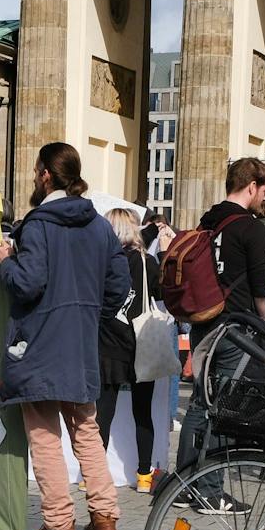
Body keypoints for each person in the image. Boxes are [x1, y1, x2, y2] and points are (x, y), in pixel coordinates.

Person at [0, 141, 129, 530]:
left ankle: (58, 525)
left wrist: (6, 262)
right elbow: (119, 285)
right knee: (87, 429)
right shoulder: (100, 225)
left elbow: (28, 282)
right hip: (81, 340)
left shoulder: (37, 224)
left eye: (37, 171)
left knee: (44, 432)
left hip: (39, 342)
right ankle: (105, 519)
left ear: (46, 176)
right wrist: (90, 317)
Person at [170, 157, 265, 502]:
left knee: (200, 403)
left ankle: (183, 487)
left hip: (204, 322)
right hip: (235, 327)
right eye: (264, 189)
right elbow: (261, 290)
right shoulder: (251, 228)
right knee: (223, 408)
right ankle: (212, 492)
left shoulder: (209, 220)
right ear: (251, 186)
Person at [99, 210, 163, 490]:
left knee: (103, 412)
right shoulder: (146, 261)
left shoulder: (102, 262)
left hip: (108, 343)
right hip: (140, 343)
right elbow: (160, 295)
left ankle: (95, 476)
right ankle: (144, 476)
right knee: (142, 412)